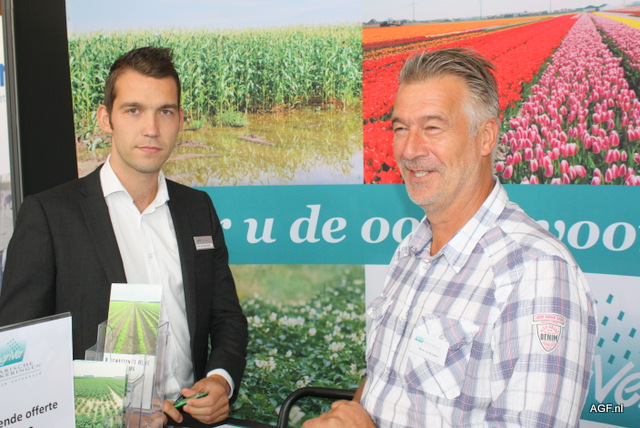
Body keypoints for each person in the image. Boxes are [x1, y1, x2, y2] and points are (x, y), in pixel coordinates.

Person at [303, 48, 597, 427]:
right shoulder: (411, 250)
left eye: (432, 128)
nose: (410, 149)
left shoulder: (536, 272)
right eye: (400, 128)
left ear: (485, 137)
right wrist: (347, 415)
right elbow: (387, 379)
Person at [0, 46, 248, 426]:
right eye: (134, 110)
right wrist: (105, 412)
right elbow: (19, 355)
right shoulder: (50, 215)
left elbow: (227, 318)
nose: (151, 128)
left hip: (188, 418)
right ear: (106, 118)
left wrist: (220, 380)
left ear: (181, 120)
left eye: (165, 111)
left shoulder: (198, 208)